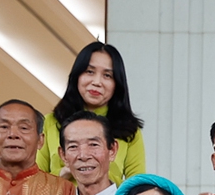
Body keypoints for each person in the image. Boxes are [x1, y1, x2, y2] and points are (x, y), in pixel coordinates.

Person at [40, 42, 145, 182]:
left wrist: (99, 174)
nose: (97, 82)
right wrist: (64, 172)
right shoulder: (49, 122)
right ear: (77, 76)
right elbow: (34, 182)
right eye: (90, 72)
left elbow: (138, 186)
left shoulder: (129, 130)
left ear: (117, 84)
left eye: (107, 75)